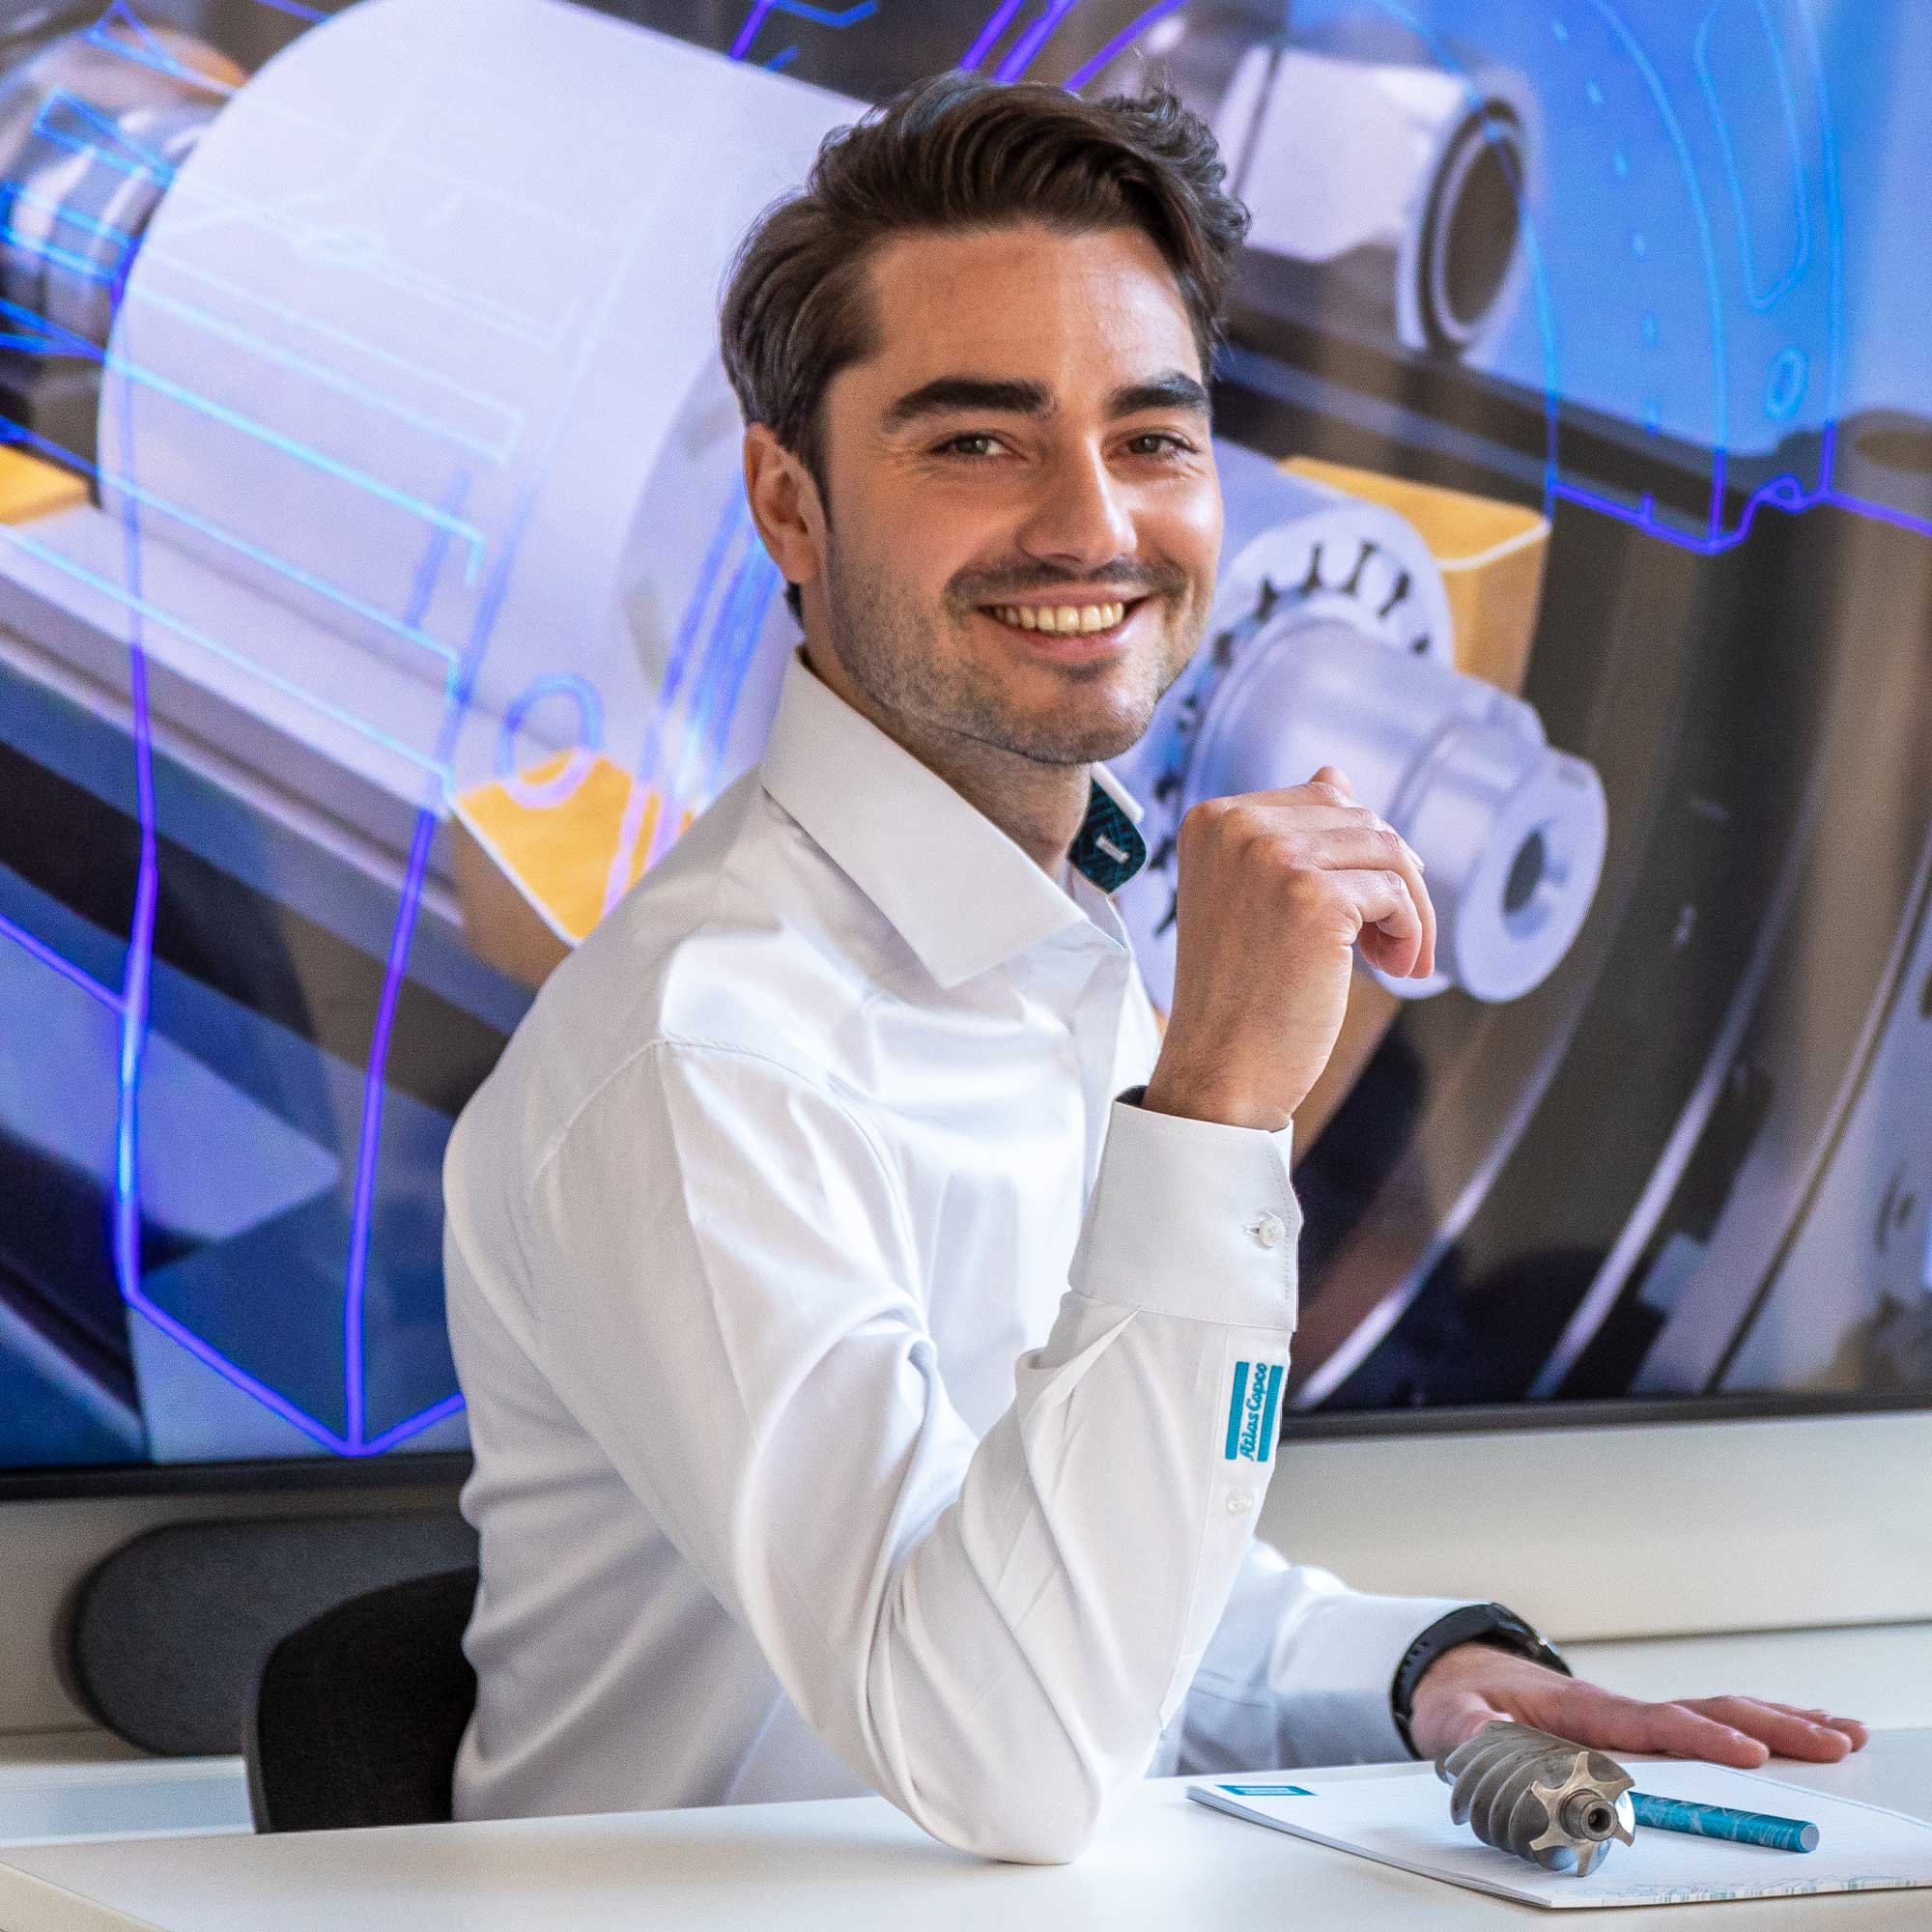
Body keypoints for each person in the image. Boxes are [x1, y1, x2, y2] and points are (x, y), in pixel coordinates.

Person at [440, 70, 1866, 1861]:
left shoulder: (1053, 939)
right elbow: (1005, 1750)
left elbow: (1085, 1576)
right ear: (791, 511)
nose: (1094, 526)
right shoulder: (707, 1050)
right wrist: (1217, 1100)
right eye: (977, 440)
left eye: (1155, 436)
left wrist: (1422, 1675)